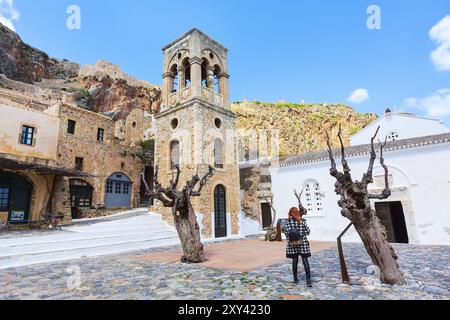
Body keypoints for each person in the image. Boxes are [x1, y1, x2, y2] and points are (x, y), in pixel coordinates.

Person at [284, 207, 312, 287]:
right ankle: (308, 280)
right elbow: (308, 232)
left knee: (295, 261)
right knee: (305, 261)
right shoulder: (302, 221)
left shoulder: (288, 222)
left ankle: (295, 279)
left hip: (293, 244)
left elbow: (286, 234)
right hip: (302, 243)